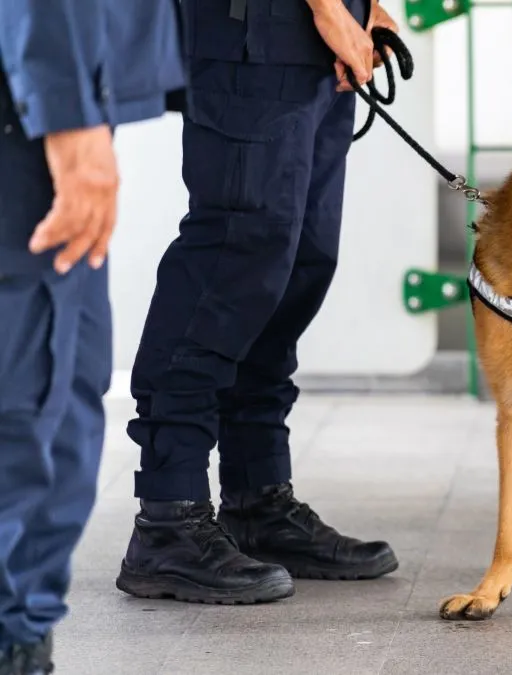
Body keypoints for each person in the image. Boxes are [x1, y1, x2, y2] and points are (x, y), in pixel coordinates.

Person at [114, 0, 403, 605]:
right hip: (253, 30)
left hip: (316, 45)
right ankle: (170, 515)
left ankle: (258, 500)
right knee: (232, 257)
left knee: (298, 262)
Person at [0, 1, 187, 672]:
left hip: (49, 89)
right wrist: (68, 113)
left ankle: (20, 632)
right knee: (30, 414)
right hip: (33, 100)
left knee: (64, 395)